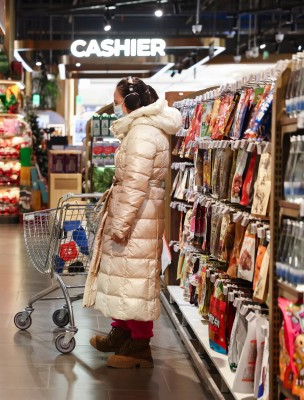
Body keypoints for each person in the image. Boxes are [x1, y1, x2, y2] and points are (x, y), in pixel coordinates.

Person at [89, 77, 182, 368]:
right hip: (138, 216)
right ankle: (122, 334)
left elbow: (134, 185)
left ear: (130, 103)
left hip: (137, 218)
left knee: (137, 280)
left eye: (117, 103)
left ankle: (139, 345)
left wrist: (120, 224)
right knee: (126, 279)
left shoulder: (142, 133)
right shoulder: (142, 129)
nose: (115, 108)